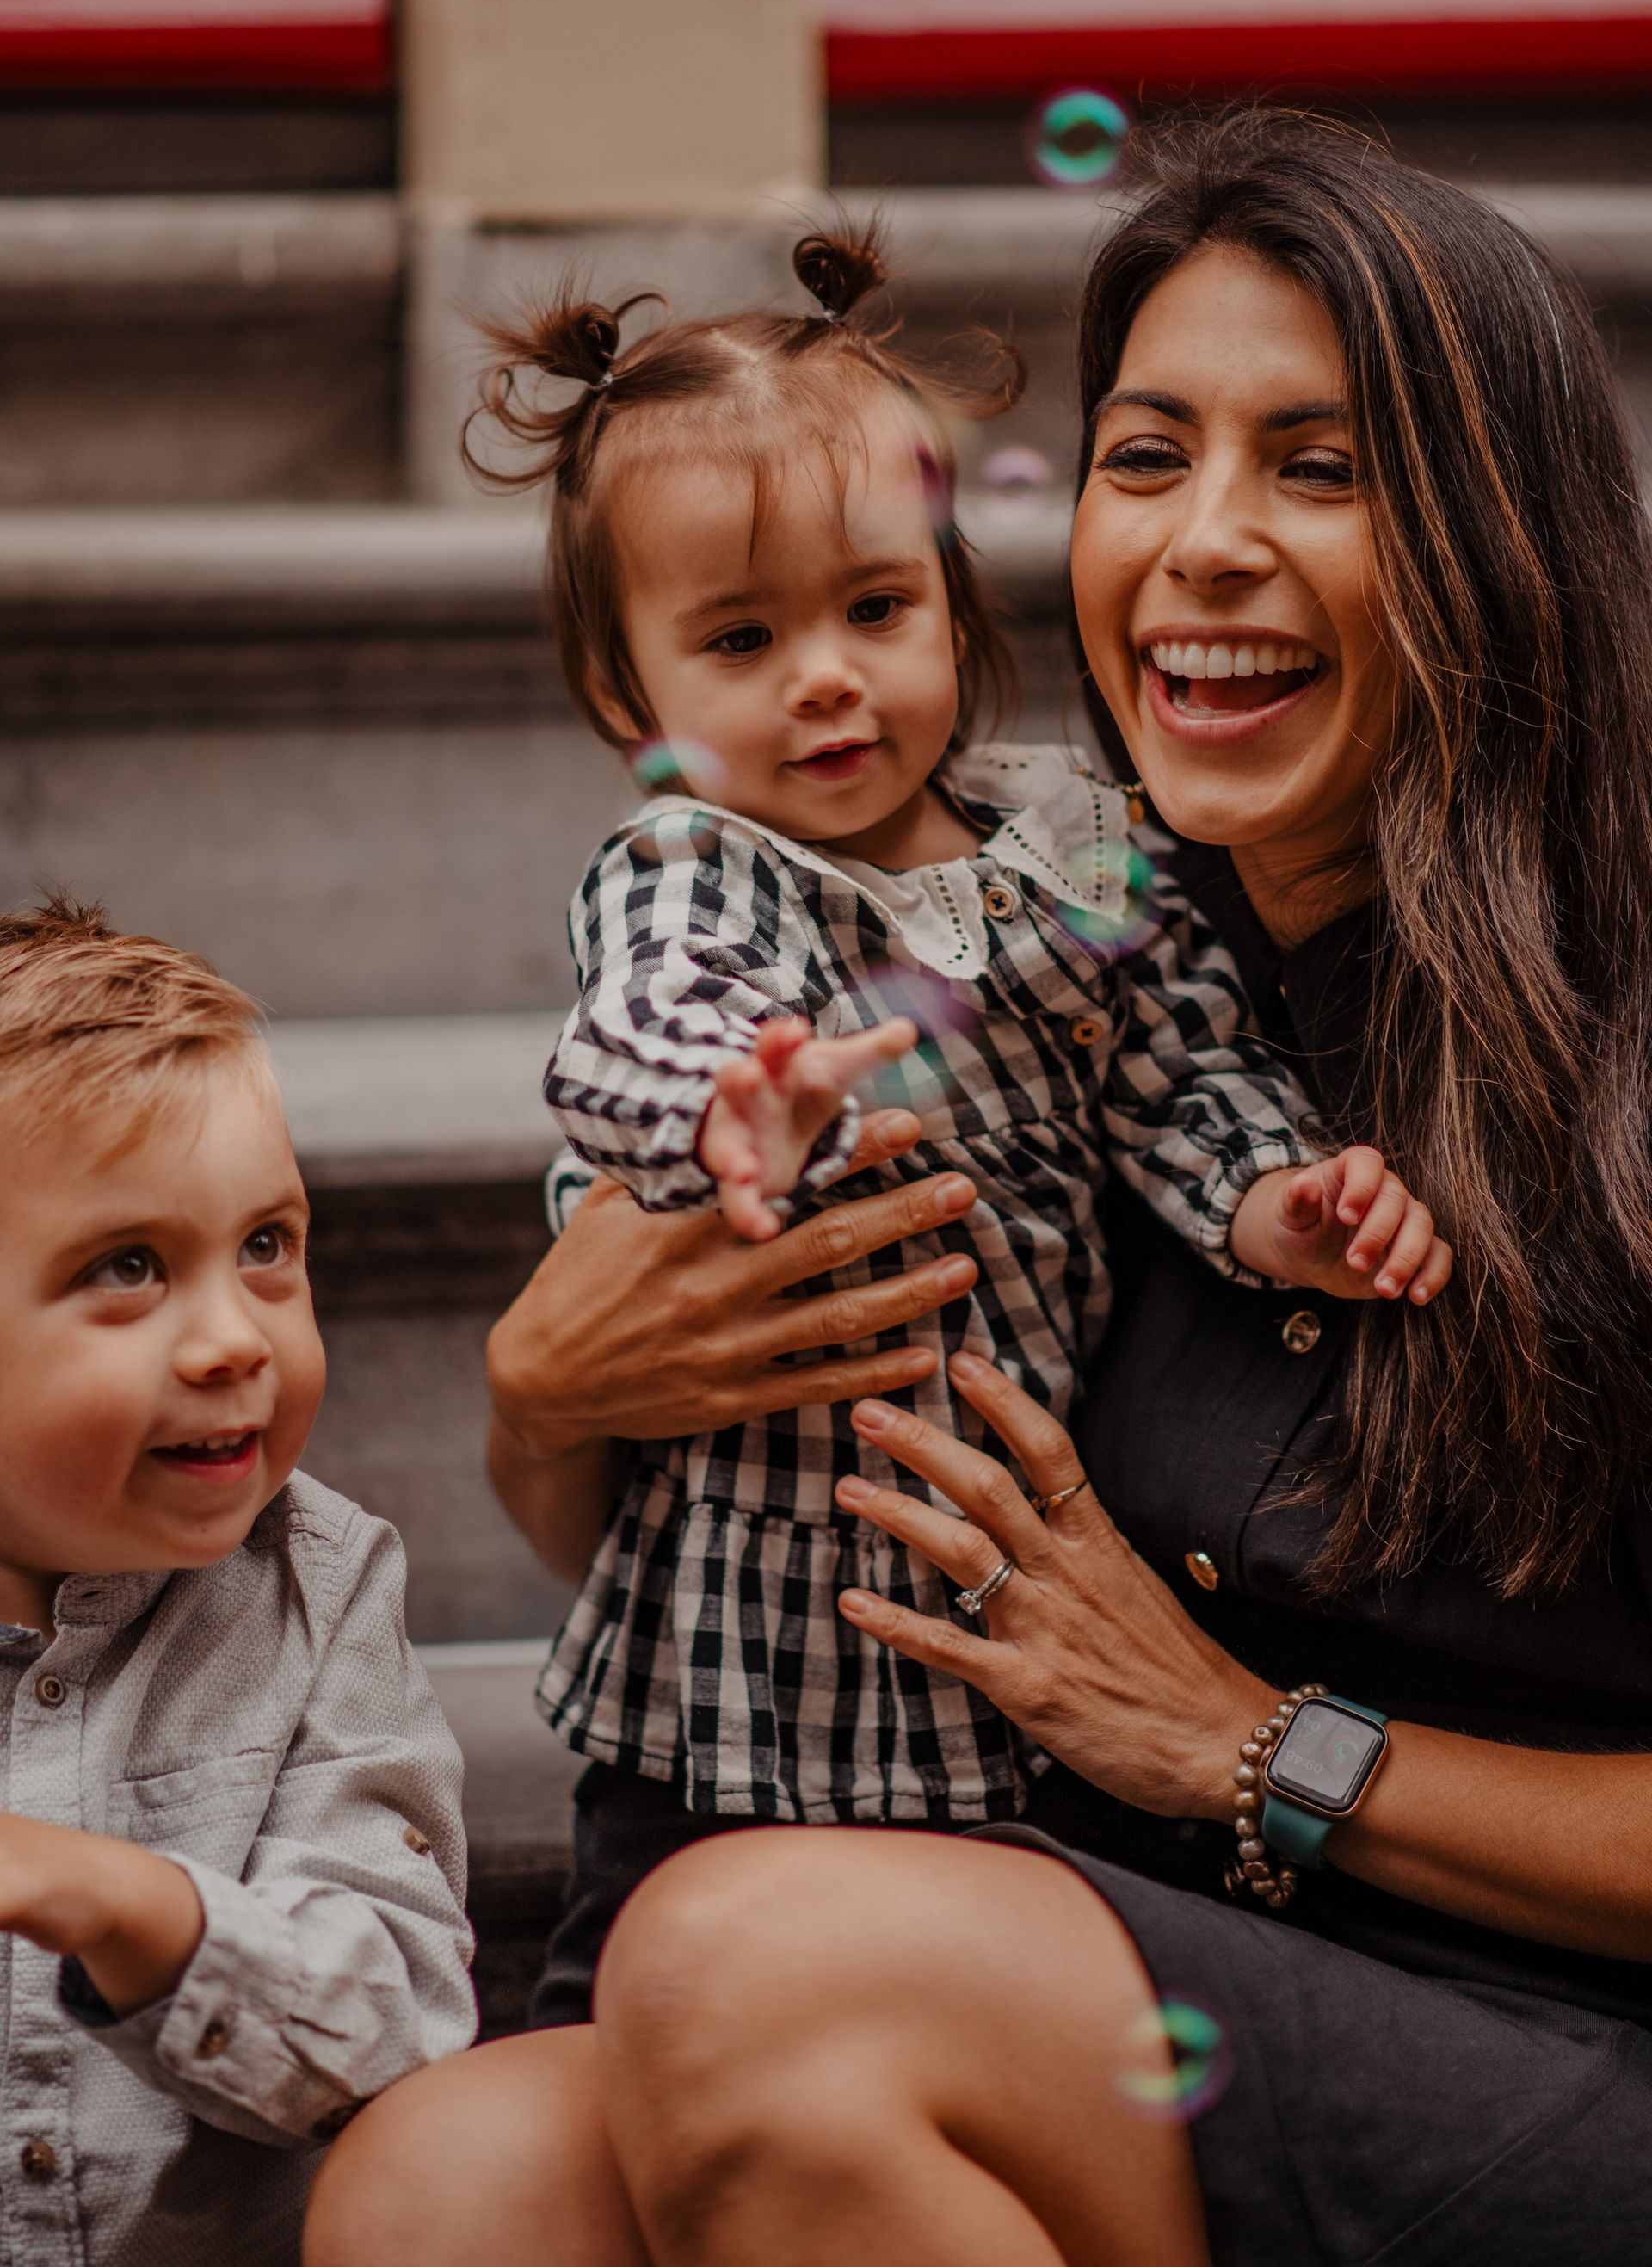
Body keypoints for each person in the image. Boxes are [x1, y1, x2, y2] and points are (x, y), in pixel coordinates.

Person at [305, 109, 1652, 2267]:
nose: (1204, 542)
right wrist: (549, 1397)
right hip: (1105, 1931)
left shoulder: (1599, 1051)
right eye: (1147, 457)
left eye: (1318, 467)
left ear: (1504, 537)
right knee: (439, 2187)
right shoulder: (1054, 946)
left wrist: (1250, 1742)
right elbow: (708, 1500)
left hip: (1530, 2023)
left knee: (751, 1965)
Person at [473, 228, 1442, 2013]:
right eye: (741, 638)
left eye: (875, 609)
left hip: (1009, 1652)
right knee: (663, 2012)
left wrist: (1278, 1206)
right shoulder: (704, 866)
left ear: (952, 603)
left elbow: (1178, 1068)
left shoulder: (1063, 846)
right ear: (629, 699)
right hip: (752, 1673)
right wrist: (735, 1106)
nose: (826, 677)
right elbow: (644, 1017)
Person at [0, 898, 476, 2266]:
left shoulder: (318, 1592)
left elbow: (400, 2046)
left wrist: (130, 1907)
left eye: (267, 1246)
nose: (234, 1342)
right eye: (128, 1267)